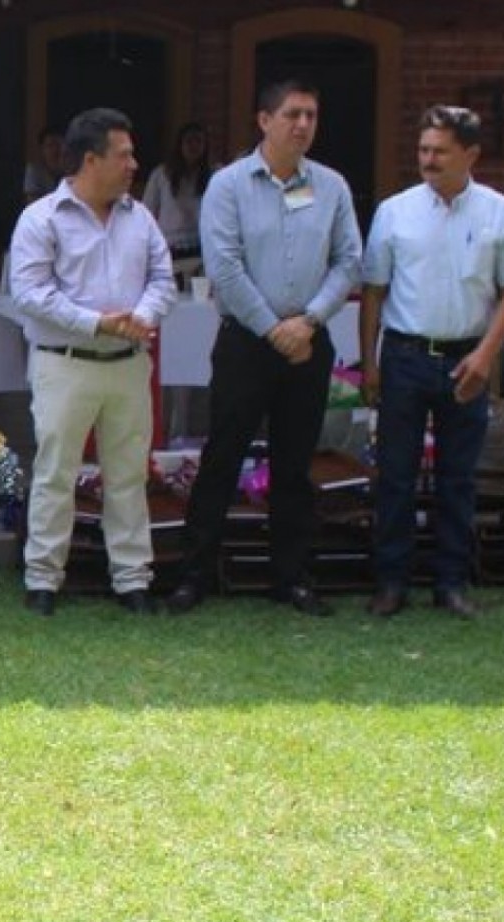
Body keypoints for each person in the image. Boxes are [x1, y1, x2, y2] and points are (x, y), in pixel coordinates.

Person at [166, 81, 361, 617]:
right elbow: (224, 267)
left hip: (309, 342)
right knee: (222, 457)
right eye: (292, 114)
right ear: (264, 120)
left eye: (311, 115)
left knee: (295, 464)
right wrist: (276, 330)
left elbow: (349, 260)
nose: (303, 124)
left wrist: (309, 321)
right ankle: (194, 575)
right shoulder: (228, 185)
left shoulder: (332, 186)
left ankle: (291, 577)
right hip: (247, 343)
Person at [8, 107, 175, 616]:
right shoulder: (41, 218)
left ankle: (132, 579)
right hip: (66, 362)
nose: (133, 165)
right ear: (90, 160)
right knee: (55, 472)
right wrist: (95, 323)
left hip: (128, 362)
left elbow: (162, 279)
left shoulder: (140, 217)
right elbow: (29, 292)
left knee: (128, 474)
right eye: (124, 155)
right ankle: (43, 578)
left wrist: (141, 316)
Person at [359, 105, 504, 619]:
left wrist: (486, 355)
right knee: (395, 476)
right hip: (405, 356)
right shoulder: (395, 211)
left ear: (470, 154)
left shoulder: (500, 213)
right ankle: (391, 582)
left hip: (466, 358)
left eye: (440, 152)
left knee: (458, 478)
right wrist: (369, 363)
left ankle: (451, 583)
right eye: (424, 149)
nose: (428, 160)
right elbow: (373, 292)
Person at [142, 121, 212, 261]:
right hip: (169, 246)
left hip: (200, 246)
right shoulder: (161, 174)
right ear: (180, 145)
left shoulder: (213, 175)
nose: (193, 146)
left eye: (198, 141)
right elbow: (147, 212)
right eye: (189, 141)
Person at [22, 127, 67, 203]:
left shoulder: (72, 169)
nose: (55, 150)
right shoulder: (35, 170)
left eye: (58, 145)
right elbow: (32, 202)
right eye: (50, 145)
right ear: (42, 149)